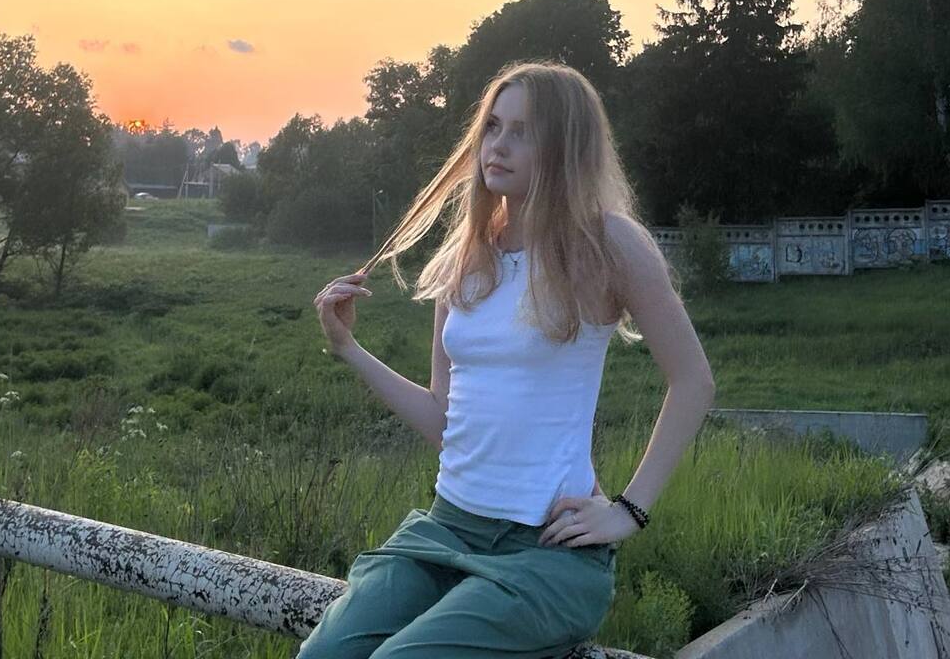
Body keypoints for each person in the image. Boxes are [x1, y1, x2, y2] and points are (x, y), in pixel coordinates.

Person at [298, 60, 716, 659]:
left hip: (546, 554)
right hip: (446, 530)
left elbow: (693, 380)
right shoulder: (467, 258)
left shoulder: (607, 245)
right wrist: (348, 349)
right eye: (493, 126)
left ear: (565, 146)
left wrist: (629, 510)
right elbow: (444, 420)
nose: (498, 145)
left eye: (523, 132)